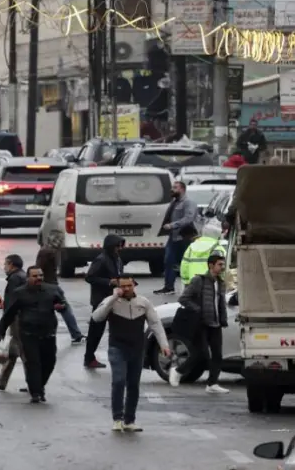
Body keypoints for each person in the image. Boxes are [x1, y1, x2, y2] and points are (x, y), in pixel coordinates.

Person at [92, 276, 170, 432]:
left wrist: (164, 345)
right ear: (118, 287)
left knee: (133, 385)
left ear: (134, 285)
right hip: (117, 347)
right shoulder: (111, 301)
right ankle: (117, 418)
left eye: (129, 285)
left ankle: (129, 420)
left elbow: (155, 323)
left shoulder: (143, 302)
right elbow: (96, 317)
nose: (127, 289)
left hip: (137, 348)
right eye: (123, 286)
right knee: (119, 380)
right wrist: (113, 298)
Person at [0, 266, 66, 403]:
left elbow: (62, 304)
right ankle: (36, 392)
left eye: (40, 275)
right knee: (33, 363)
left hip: (48, 333)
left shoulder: (52, 290)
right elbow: (10, 313)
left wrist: (61, 306)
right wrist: (1, 329)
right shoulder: (20, 293)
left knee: (49, 362)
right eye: (35, 276)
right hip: (28, 334)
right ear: (28, 278)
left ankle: (40, 386)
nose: (38, 278)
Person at [168, 254, 230, 394]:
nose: (222, 268)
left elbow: (221, 304)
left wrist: (223, 319)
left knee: (217, 355)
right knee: (200, 354)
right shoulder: (199, 280)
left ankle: (212, 384)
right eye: (220, 264)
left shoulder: (220, 283)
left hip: (215, 323)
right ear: (211, 265)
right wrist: (198, 310)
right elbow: (183, 298)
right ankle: (178, 370)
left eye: (223, 265)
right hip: (201, 323)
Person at [0, 254, 27, 391]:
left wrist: (4, 324)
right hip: (21, 318)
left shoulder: (15, 279)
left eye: (5, 264)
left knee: (23, 351)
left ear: (12, 265)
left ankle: (33, 382)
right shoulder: (22, 276)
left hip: (17, 320)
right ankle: (1, 381)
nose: (4, 267)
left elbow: (12, 304)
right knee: (13, 352)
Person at [84, 234, 126, 369]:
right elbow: (90, 277)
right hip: (101, 301)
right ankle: (89, 357)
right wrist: (108, 282)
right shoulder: (101, 260)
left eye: (120, 246)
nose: (119, 249)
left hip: (114, 298)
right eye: (116, 246)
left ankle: (119, 355)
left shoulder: (117, 259)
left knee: (119, 328)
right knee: (96, 331)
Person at [35, 233, 83, 343]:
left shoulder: (47, 251)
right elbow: (40, 269)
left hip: (48, 284)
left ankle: (74, 334)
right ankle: (75, 334)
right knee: (64, 309)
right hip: (51, 285)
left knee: (58, 309)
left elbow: (39, 268)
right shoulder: (52, 251)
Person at [154, 181, 198, 295]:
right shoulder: (174, 202)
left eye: (175, 187)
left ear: (182, 189)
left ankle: (191, 287)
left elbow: (189, 218)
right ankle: (169, 287)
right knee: (169, 261)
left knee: (186, 263)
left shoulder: (188, 202)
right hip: (173, 237)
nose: (172, 189)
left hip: (184, 237)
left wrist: (173, 225)